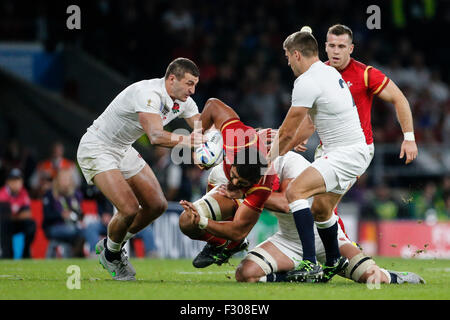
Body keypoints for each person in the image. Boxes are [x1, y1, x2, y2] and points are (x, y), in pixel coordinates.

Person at [77, 57, 204, 281]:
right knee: (128, 208)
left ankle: (110, 246)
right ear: (172, 79)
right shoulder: (148, 93)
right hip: (97, 147)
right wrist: (190, 142)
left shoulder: (184, 101)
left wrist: (222, 141)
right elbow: (155, 136)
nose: (193, 90)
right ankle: (112, 255)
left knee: (157, 205)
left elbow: (203, 126)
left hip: (123, 149)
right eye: (189, 84)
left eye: (195, 84)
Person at [266, 28, 371, 282]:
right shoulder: (328, 73)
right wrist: (296, 138)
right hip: (353, 150)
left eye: (287, 56)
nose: (287, 61)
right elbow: (309, 124)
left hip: (345, 153)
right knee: (322, 209)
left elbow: (287, 131)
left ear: (296, 54)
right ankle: (334, 261)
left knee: (295, 192)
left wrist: (265, 162)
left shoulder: (307, 82)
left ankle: (310, 263)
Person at [234, 151, 425, 285]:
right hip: (288, 240)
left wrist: (244, 194)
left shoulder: (291, 162)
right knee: (245, 274)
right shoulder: (248, 175)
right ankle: (302, 277)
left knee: (370, 277)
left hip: (324, 239)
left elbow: (286, 203)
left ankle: (394, 276)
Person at [178, 98, 290, 268]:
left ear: (253, 181)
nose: (234, 182)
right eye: (235, 175)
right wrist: (198, 140)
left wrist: (202, 221)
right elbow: (213, 105)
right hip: (221, 175)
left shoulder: (261, 187)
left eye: (241, 182)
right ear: (234, 157)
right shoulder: (236, 139)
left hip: (246, 198)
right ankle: (223, 244)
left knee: (187, 221)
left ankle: (228, 244)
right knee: (216, 175)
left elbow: (239, 230)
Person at [314, 24, 418, 165]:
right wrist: (301, 134)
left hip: (356, 150)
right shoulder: (318, 74)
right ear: (326, 47)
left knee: (301, 187)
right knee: (293, 185)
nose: (336, 51)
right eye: (332, 46)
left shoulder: (365, 74)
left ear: (351, 49)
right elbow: (313, 108)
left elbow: (400, 99)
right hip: (327, 148)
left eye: (341, 47)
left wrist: (409, 138)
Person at [42, 168, 85, 258]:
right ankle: (76, 255)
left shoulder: (76, 194)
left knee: (84, 229)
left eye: (67, 179)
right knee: (73, 231)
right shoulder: (50, 194)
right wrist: (61, 215)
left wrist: (80, 219)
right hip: (53, 226)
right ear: (57, 180)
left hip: (73, 225)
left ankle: (78, 254)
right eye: (63, 179)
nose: (65, 181)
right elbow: (47, 215)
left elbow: (79, 212)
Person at [0, 168, 36, 258]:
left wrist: (13, 216)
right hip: (5, 226)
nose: (15, 183)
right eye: (13, 180)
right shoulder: (2, 194)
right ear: (8, 182)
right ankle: (7, 254)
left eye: (18, 180)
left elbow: (28, 214)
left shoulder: (23, 193)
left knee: (31, 224)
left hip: (15, 223)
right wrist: (17, 215)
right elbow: (4, 216)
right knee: (4, 225)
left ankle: (26, 254)